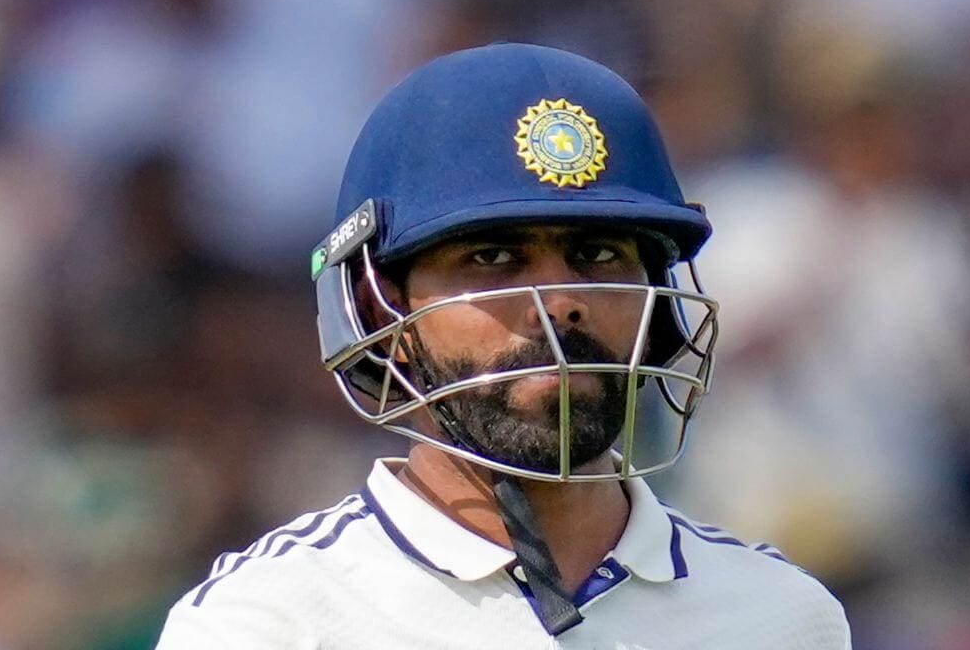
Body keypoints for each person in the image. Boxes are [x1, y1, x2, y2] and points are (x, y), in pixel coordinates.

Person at [155, 43, 851, 649]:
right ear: (379, 308)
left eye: (598, 253)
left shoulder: (780, 619)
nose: (561, 301)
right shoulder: (267, 624)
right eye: (492, 257)